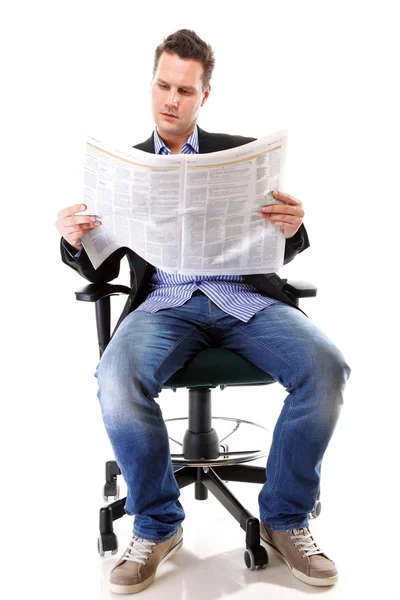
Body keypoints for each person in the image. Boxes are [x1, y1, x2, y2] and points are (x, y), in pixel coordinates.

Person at [56, 29, 351, 594]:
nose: (172, 99)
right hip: (164, 305)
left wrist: (294, 227)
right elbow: (101, 267)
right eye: (163, 86)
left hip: (245, 300)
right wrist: (73, 242)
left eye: (185, 90)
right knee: (116, 377)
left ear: (204, 95)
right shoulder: (127, 165)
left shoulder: (240, 154)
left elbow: (277, 244)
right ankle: (157, 524)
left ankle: (284, 519)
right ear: (152, 85)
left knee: (326, 367)